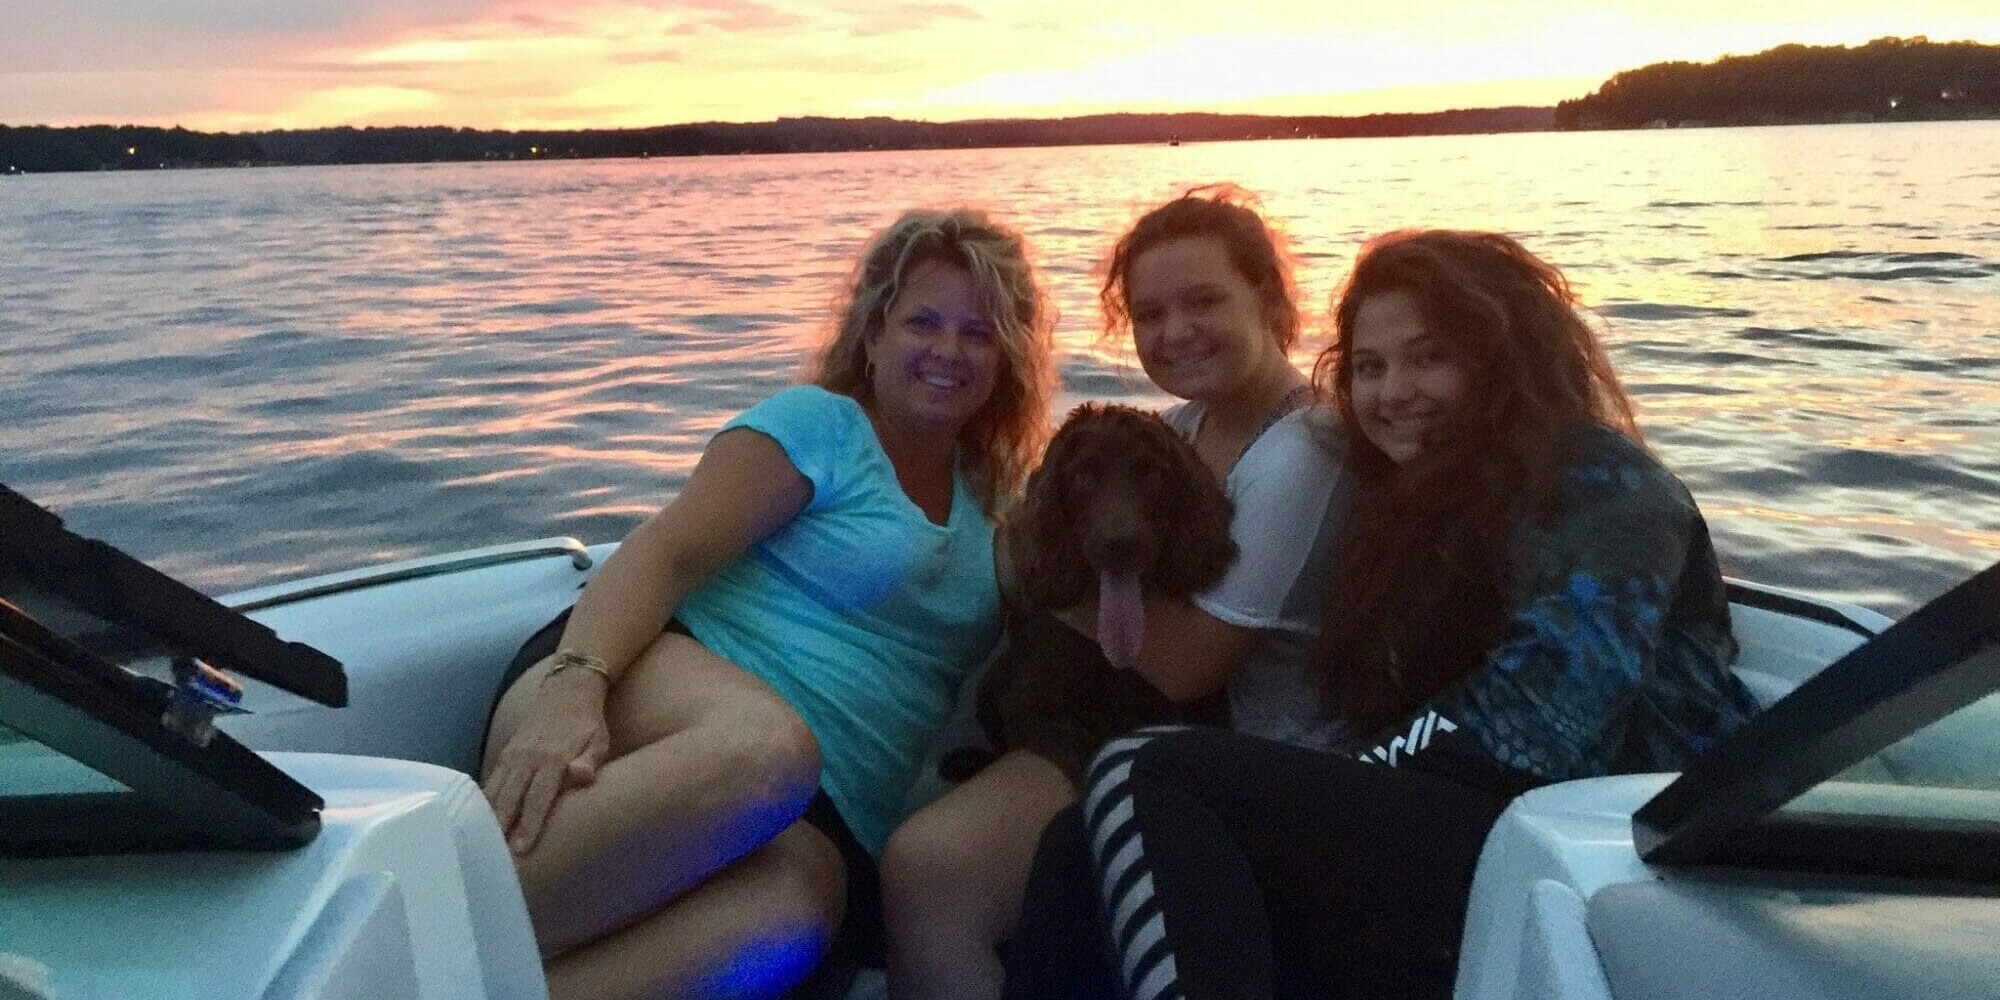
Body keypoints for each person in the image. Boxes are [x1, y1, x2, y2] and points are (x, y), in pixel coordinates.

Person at [999, 229, 1763, 1000]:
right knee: (1077, 845)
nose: (1395, 391)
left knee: (1146, 768)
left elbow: (1542, 725)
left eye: (1430, 357)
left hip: (1606, 839)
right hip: (1476, 821)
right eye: (1370, 367)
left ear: (1505, 359)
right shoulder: (1419, 505)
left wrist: (1337, 784)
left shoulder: (1604, 489)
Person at [479, 206, 1058, 1000]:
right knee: (764, 751)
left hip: (820, 817)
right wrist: (573, 687)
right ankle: (392, 926)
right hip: (645, 688)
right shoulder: (822, 425)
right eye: (923, 321)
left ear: (1009, 358)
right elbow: (667, 550)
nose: (948, 351)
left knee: (796, 913)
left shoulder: (997, 507)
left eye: (979, 333)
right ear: (875, 332)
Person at [880, 187, 1352, 1000]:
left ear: (1271, 299)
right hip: (1146, 721)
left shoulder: (1303, 451)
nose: (1175, 332)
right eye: (1150, 313)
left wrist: (1033, 554)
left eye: (1204, 301)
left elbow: (1185, 666)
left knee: (928, 869)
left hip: (1263, 755)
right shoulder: (1185, 430)